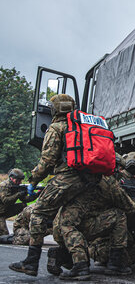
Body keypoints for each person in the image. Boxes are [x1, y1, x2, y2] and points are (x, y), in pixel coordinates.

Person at [9, 94, 101, 277]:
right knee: (67, 222)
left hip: (66, 179)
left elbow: (47, 161)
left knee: (38, 213)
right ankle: (81, 266)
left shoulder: (56, 128)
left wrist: (34, 180)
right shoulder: (83, 127)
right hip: (88, 182)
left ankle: (31, 262)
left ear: (55, 109)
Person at [50, 173, 135, 280]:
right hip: (77, 229)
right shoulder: (108, 183)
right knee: (119, 217)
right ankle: (113, 263)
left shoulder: (77, 176)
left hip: (62, 228)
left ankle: (62, 254)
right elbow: (129, 207)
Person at [0, 169, 31, 238]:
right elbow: (5, 200)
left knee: (24, 206)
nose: (19, 182)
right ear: (11, 178)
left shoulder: (17, 186)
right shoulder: (4, 186)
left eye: (20, 180)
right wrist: (18, 194)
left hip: (6, 210)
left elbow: (24, 199)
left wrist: (36, 195)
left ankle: (23, 224)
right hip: (1, 213)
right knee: (4, 236)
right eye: (17, 180)